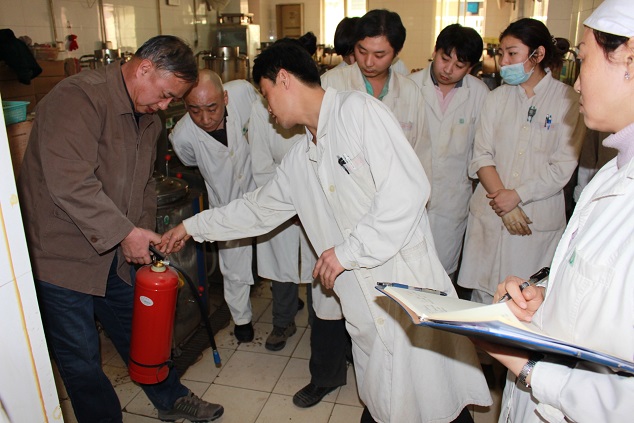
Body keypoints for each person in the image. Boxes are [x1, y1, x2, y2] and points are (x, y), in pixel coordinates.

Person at [159, 40, 491, 423]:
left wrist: (347, 252)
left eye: (266, 94)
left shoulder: (359, 113)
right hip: (365, 305)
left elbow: (408, 191)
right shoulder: (300, 158)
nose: (267, 108)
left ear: (284, 79)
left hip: (406, 287)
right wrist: (192, 226)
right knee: (388, 403)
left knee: (435, 402)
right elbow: (256, 209)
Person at [18, 35, 223, 422]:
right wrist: (127, 234)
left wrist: (140, 235)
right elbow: (70, 183)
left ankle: (170, 399)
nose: (165, 106)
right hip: (62, 259)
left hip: (114, 255)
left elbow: (144, 186)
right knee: (82, 360)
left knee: (144, 335)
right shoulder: (78, 99)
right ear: (144, 68)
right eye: (165, 95)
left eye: (172, 100)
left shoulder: (148, 117)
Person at [476, 1, 634, 421]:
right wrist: (548, 299)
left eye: (584, 61)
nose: (577, 84)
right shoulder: (614, 173)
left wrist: (526, 366)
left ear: (629, 60)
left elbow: (622, 396)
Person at [457, 18, 585, 304]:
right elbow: (482, 155)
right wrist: (504, 203)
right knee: (482, 300)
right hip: (491, 212)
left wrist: (517, 196)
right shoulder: (496, 98)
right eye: (501, 53)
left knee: (525, 301)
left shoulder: (567, 101)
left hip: (534, 218)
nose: (504, 61)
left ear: (537, 55)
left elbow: (562, 166)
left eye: (512, 53)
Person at [169, 69, 260, 343]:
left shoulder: (243, 93)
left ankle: (285, 297)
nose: (205, 119)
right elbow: (190, 160)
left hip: (262, 188)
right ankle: (242, 319)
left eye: (212, 108)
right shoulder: (181, 136)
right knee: (233, 263)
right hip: (226, 201)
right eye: (195, 111)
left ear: (225, 97)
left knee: (277, 250)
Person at [408, 24, 489, 282]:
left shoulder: (480, 94)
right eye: (445, 59)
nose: (448, 70)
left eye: (459, 65)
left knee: (442, 275)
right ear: (435, 51)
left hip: (452, 201)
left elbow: (483, 149)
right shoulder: (410, 87)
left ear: (471, 68)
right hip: (410, 197)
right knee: (407, 273)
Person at [321, 8, 428, 205]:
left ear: (396, 53)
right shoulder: (331, 84)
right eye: (362, 51)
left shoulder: (410, 93)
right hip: (342, 200)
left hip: (395, 200)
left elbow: (421, 155)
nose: (368, 62)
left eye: (379, 55)